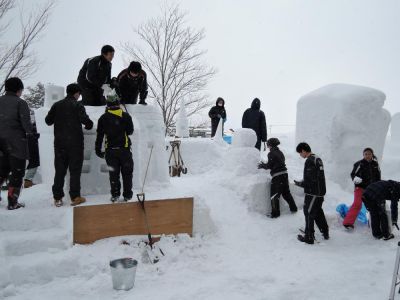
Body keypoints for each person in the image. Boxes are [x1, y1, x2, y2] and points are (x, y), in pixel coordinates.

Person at [45, 83, 93, 207]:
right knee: (75, 171)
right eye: (79, 93)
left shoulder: (57, 105)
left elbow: (48, 121)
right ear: (76, 93)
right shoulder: (77, 105)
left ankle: (58, 198)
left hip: (60, 143)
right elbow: (86, 122)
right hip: (75, 144)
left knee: (60, 171)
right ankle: (75, 197)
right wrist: (89, 124)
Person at [0, 77, 32, 210]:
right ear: (19, 89)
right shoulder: (20, 103)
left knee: (1, 171)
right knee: (17, 172)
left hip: (0, 143)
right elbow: (26, 125)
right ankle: (12, 201)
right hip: (16, 143)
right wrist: (31, 133)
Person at [95, 93, 134, 202]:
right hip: (124, 150)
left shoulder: (103, 118)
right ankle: (127, 195)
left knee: (113, 175)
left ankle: (115, 195)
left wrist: (98, 150)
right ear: (118, 103)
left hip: (110, 152)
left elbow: (100, 135)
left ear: (107, 104)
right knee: (127, 174)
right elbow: (130, 132)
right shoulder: (126, 116)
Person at [294, 142, 329, 244]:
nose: (300, 155)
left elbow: (311, 179)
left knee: (308, 212)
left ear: (304, 151)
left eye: (300, 153)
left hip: (313, 193)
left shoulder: (310, 161)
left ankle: (309, 237)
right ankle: (325, 232)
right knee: (318, 212)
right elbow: (316, 177)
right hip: (319, 192)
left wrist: (301, 184)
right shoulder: (317, 158)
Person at [258, 138, 297, 218]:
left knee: (274, 195)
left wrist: (262, 165)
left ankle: (275, 213)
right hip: (285, 175)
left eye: (268, 145)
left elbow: (269, 165)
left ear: (271, 145)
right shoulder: (280, 152)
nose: (268, 147)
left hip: (277, 176)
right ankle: (293, 208)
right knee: (286, 193)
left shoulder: (271, 153)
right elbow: (277, 163)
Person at [343, 148, 381, 229]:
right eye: (365, 154)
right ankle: (348, 223)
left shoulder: (375, 164)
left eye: (369, 154)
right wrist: (355, 179)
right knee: (357, 204)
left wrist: (378, 186)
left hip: (372, 189)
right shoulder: (359, 163)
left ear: (372, 155)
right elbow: (353, 174)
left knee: (374, 206)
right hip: (360, 187)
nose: (367, 156)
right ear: (363, 155)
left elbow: (378, 176)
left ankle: (375, 224)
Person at [24, 115, 40, 188]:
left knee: (33, 163)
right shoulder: (38, 126)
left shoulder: (33, 126)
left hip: (28, 145)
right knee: (34, 163)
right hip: (33, 146)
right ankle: (27, 181)